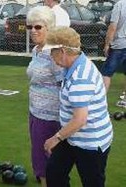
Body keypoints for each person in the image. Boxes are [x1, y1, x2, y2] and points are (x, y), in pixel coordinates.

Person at [44, 26, 113, 187]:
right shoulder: (74, 65)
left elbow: (80, 119)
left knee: (92, 182)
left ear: (62, 51)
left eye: (51, 52)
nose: (50, 56)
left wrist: (56, 138)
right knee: (54, 173)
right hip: (72, 137)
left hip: (91, 142)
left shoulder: (80, 77)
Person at [26, 6, 63, 187]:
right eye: (30, 27)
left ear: (49, 27)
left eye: (38, 27)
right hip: (35, 112)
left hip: (50, 117)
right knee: (39, 158)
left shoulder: (54, 53)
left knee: (47, 162)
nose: (33, 30)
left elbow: (64, 84)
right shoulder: (36, 50)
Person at [100, 0, 126, 93]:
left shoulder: (120, 5)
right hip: (120, 44)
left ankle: (100, 100)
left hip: (119, 45)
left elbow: (113, 27)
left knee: (106, 73)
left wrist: (107, 44)